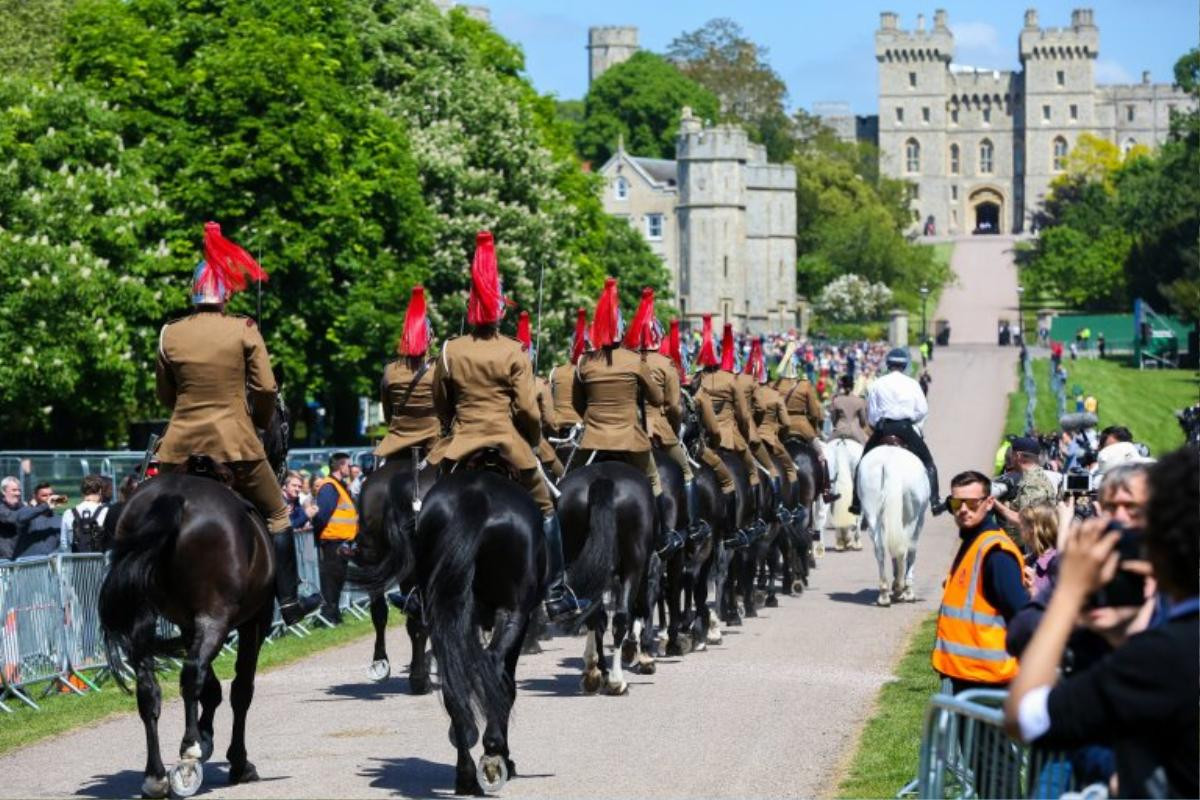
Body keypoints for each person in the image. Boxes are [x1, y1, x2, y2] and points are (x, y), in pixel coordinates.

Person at [1004, 448, 1198, 799]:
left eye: (1132, 509)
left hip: (1143, 740)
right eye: (1110, 507)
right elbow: (1020, 630)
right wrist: (1072, 610)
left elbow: (1024, 715)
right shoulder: (1083, 564)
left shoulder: (1168, 629)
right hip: (1076, 731)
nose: (1119, 519)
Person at [155, 223, 320, 625]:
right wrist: (259, 422)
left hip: (178, 449)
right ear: (225, 294)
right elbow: (265, 388)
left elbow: (165, 396)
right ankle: (289, 603)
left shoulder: (169, 334)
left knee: (145, 518)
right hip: (236, 446)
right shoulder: (243, 329)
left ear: (193, 295)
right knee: (279, 514)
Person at [428, 231, 589, 623]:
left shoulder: (450, 349)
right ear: (498, 308)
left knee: (426, 508)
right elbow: (528, 411)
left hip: (460, 445)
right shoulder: (513, 350)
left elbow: (440, 400)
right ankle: (555, 591)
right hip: (508, 443)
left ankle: (420, 590)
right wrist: (530, 442)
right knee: (548, 509)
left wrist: (453, 426)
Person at [573, 282, 679, 558]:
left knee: (565, 482)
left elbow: (577, 403)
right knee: (655, 481)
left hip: (592, 440)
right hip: (630, 440)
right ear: (621, 330)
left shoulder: (585, 362)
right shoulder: (634, 361)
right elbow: (656, 399)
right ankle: (664, 535)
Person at [933, 471, 1029, 694]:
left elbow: (1021, 614)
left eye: (972, 503)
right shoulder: (974, 541)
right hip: (966, 675)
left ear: (989, 503)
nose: (963, 509)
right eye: (956, 502)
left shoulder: (995, 553)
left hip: (989, 683)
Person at [850, 348, 946, 515]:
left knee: (862, 463)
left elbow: (872, 415)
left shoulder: (877, 383)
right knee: (929, 463)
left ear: (888, 364)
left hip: (883, 428)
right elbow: (922, 410)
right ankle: (935, 502)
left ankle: (856, 504)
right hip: (905, 428)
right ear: (905, 365)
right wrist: (911, 420)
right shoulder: (912, 383)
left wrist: (877, 424)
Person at [374, 285, 440, 468]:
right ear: (430, 338)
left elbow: (388, 413)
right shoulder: (438, 369)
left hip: (397, 441)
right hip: (432, 444)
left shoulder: (390, 370)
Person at [688, 316, 740, 541]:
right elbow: (745, 416)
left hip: (690, 440)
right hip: (725, 436)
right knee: (756, 471)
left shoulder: (695, 381)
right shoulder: (730, 380)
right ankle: (736, 527)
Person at [312, 452, 358, 624]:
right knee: (331, 580)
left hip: (341, 541)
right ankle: (329, 616)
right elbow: (323, 515)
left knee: (337, 579)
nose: (351, 468)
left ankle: (334, 614)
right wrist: (320, 537)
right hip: (331, 542)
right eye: (348, 465)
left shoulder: (340, 486)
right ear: (340, 466)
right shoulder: (329, 487)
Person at [993, 436, 1056, 537]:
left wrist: (994, 502)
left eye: (1012, 454)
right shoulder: (1036, 476)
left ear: (1017, 456)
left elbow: (1025, 521)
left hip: (1033, 546)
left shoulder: (1033, 483)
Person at [547, 308, 588, 437]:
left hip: (557, 432)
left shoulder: (555, 372)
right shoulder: (592, 373)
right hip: (582, 432)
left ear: (570, 348)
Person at [60, 475, 110, 554]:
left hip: (76, 563)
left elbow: (64, 545)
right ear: (100, 491)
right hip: (100, 563)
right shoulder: (106, 512)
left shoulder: (68, 513)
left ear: (82, 492)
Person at [16, 482, 66, 558]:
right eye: (44, 496)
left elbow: (63, 544)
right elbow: (20, 517)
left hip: (50, 566)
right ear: (35, 497)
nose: (49, 498)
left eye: (51, 495)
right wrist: (45, 506)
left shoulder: (59, 519)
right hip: (28, 566)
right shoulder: (28, 516)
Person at [829, 375, 869, 444]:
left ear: (843, 386)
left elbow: (833, 419)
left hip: (840, 430)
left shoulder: (836, 400)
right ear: (853, 386)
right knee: (867, 448)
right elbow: (863, 421)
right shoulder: (860, 401)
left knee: (825, 448)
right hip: (855, 432)